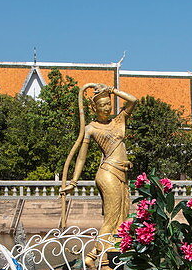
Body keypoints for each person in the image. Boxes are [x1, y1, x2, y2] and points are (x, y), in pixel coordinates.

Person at [59, 84, 139, 249]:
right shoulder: (90, 128)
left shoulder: (119, 120)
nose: (106, 108)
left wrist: (112, 90)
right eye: (102, 105)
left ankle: (95, 255)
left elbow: (133, 100)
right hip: (108, 173)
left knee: (122, 218)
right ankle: (102, 264)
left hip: (122, 173)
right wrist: (73, 182)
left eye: (108, 104)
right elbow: (81, 157)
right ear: (94, 108)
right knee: (111, 217)